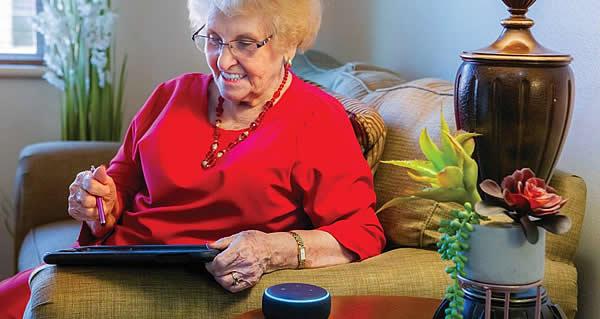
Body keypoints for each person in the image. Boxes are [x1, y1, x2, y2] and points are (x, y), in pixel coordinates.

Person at [0, 0, 385, 317]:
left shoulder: (318, 119)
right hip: (110, 262)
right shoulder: (172, 95)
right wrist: (97, 199)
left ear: (288, 44)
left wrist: (270, 249)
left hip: (179, 286)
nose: (224, 61)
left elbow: (360, 232)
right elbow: (117, 187)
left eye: (246, 43)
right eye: (214, 39)